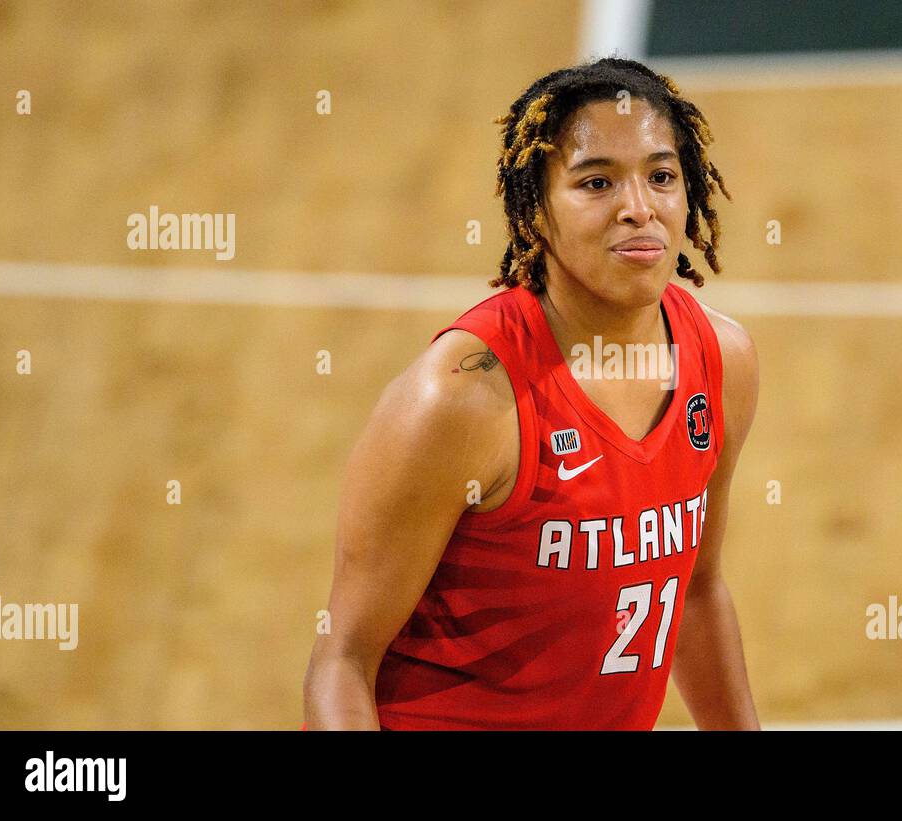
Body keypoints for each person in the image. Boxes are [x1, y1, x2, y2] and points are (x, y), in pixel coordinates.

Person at [303, 57, 759, 730]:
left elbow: (694, 593)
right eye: (596, 182)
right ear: (534, 209)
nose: (639, 207)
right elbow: (341, 659)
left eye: (661, 176)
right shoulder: (459, 400)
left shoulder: (723, 361)